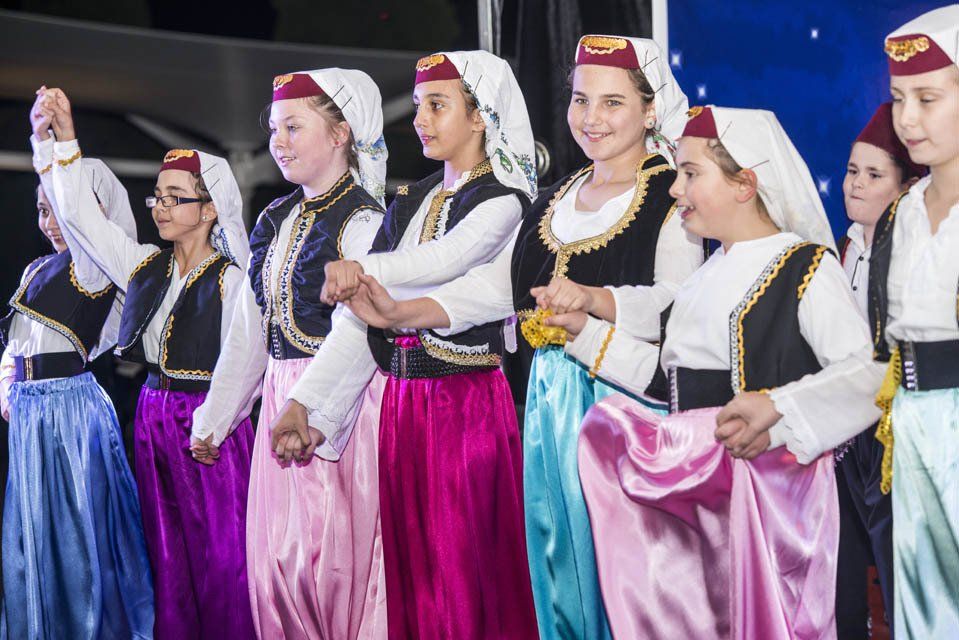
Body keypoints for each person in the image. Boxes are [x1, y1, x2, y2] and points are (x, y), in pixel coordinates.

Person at [338, 35, 701, 640]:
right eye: (580, 100)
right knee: (558, 573)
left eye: (612, 103)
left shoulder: (672, 197)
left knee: (634, 579)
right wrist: (400, 315)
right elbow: (493, 293)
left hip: (628, 407)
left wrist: (595, 303)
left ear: (650, 107)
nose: (591, 118)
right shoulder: (552, 199)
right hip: (549, 406)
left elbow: (678, 307)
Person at [558, 106, 880, 638]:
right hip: (708, 512)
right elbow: (673, 387)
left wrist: (779, 411)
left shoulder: (803, 266)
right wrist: (583, 333)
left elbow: (866, 375)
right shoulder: (705, 275)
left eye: (689, 173)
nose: (674, 190)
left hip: (780, 514)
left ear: (744, 184)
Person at [274, 50, 540, 639]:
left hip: (464, 404)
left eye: (438, 105)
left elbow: (449, 259)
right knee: (412, 576)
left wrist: (361, 268)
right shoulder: (410, 199)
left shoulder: (502, 201)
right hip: (403, 407)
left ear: (480, 116)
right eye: (419, 105)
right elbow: (362, 324)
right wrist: (308, 405)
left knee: (464, 571)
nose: (421, 119)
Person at [44, 87, 255, 639]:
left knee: (224, 556)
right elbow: (82, 220)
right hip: (154, 416)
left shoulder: (234, 282)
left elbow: (248, 358)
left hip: (212, 423)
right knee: (163, 554)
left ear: (210, 211)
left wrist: (216, 421)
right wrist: (64, 141)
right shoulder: (144, 266)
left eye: (174, 198)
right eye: (157, 196)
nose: (159, 207)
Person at [188, 68, 388, 639]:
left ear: (340, 133)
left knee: (332, 564)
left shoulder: (365, 220)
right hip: (280, 394)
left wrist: (312, 407)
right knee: (277, 565)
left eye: (293, 127)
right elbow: (251, 329)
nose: (279, 142)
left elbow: (361, 331)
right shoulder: (275, 219)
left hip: (339, 403)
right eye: (274, 129)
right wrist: (218, 417)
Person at [0, 90, 153, 639]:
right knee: (34, 534)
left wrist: (55, 140)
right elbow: (15, 342)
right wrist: (9, 390)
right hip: (33, 418)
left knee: (77, 534)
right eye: (42, 210)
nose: (51, 222)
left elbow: (81, 216)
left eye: (59, 209)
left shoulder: (93, 268)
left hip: (69, 416)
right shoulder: (38, 268)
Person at [867, 6, 959, 637]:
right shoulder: (900, 212)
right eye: (899, 98)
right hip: (911, 417)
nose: (907, 119)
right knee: (922, 600)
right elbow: (882, 347)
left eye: (928, 98)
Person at [834, 101, 924, 638]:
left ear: (905, 186)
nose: (856, 185)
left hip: (892, 428)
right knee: (846, 555)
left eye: (873, 175)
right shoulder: (842, 248)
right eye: (851, 171)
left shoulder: (911, 251)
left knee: (895, 559)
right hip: (846, 431)